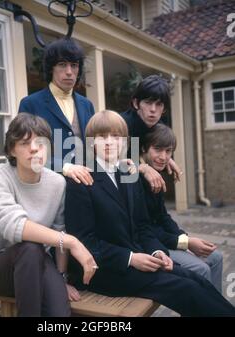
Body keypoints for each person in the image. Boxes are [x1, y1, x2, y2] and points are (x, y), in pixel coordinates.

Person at [65, 110, 235, 316]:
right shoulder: (81, 181)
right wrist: (130, 258)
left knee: (196, 279)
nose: (109, 142)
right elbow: (84, 241)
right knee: (186, 289)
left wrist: (157, 252)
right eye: (102, 137)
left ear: (124, 142)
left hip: (139, 260)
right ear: (92, 142)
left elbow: (142, 227)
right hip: (105, 271)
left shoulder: (129, 174)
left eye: (115, 136)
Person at [0, 113, 97, 317]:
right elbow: (15, 226)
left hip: (39, 261)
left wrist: (61, 278)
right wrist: (72, 242)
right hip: (0, 268)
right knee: (29, 247)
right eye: (24, 143)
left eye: (40, 143)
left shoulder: (57, 183)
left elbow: (59, 230)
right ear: (12, 149)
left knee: (60, 313)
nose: (34, 148)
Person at [141, 123, 223, 292]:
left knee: (216, 257)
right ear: (144, 149)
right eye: (158, 149)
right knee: (201, 269)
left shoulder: (157, 175)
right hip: (148, 245)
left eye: (168, 151)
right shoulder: (135, 180)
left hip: (163, 239)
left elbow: (163, 217)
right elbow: (145, 229)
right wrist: (186, 243)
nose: (163, 157)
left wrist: (185, 238)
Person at [18, 38, 94, 186]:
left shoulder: (87, 105)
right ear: (51, 68)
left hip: (86, 186)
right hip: (47, 186)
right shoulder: (30, 104)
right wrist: (65, 167)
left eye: (74, 65)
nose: (69, 72)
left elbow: (94, 148)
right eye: (62, 65)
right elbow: (26, 149)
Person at [121, 75, 182, 193]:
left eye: (159, 104)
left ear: (164, 108)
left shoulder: (158, 126)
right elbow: (102, 165)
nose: (153, 109)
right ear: (136, 103)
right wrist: (142, 168)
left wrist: (166, 158)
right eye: (148, 103)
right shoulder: (121, 126)